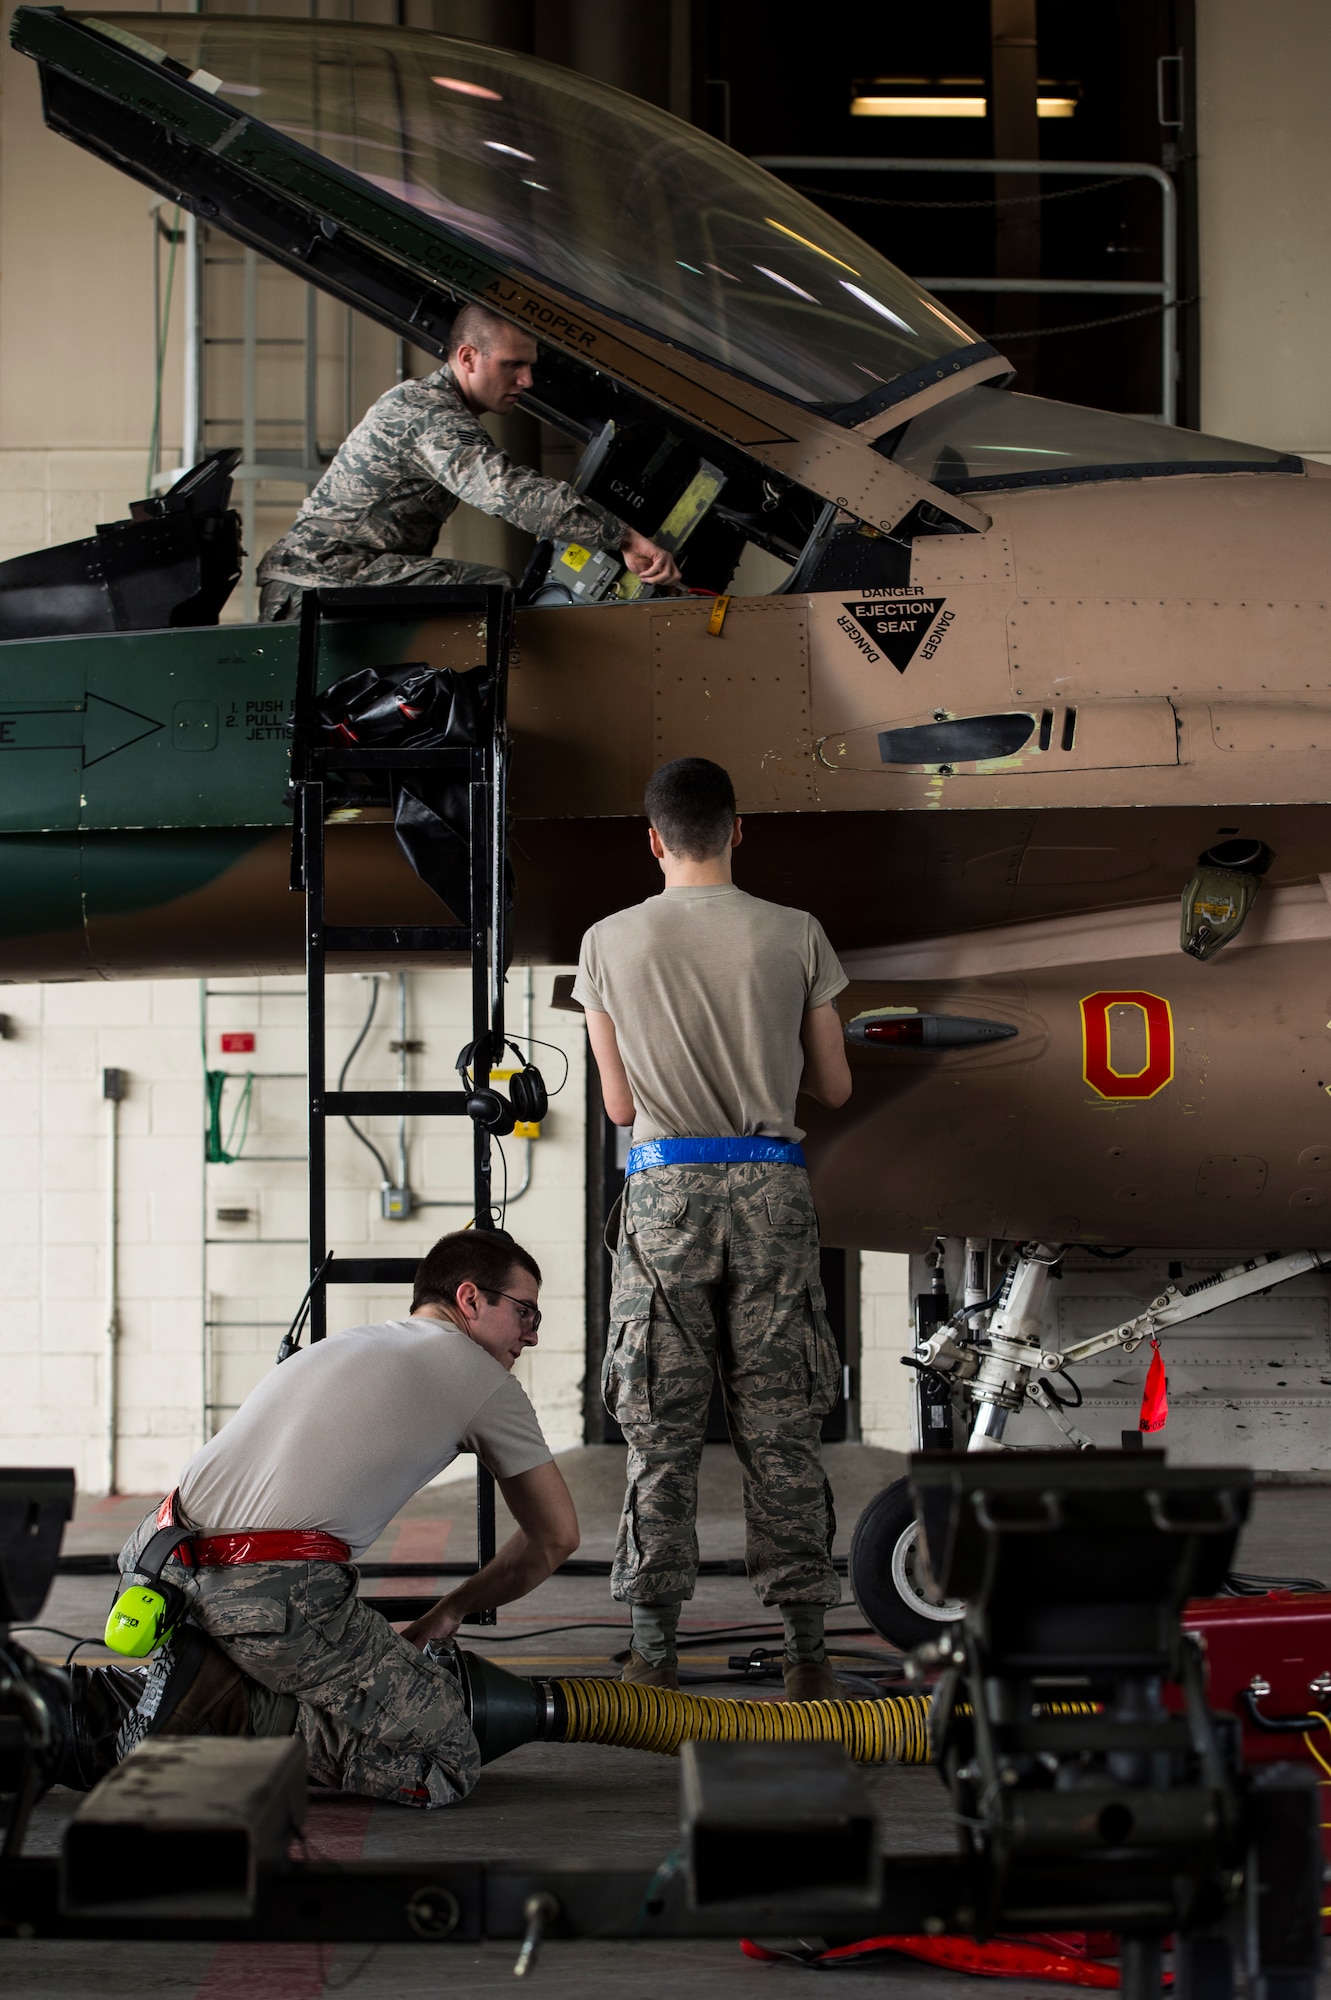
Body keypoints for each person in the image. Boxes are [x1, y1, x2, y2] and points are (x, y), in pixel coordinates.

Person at [71, 1231, 577, 1809]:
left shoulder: (346, 1344)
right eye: (525, 1311)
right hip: (268, 1595)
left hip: (156, 1562)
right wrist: (451, 1611)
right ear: (470, 1299)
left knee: (130, 1711)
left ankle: (91, 1707)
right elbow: (555, 1538)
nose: (532, 1335)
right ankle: (231, 1702)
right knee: (447, 1761)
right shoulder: (484, 1379)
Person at [573, 757, 853, 1703]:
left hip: (665, 1192)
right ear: (740, 831)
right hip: (773, 1188)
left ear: (653, 839)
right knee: (782, 1426)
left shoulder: (607, 943)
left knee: (660, 1429)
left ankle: (653, 1650)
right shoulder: (797, 931)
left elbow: (616, 1106)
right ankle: (807, 1652)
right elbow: (836, 1087)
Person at [257, 301, 679, 619]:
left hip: (330, 573)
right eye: (512, 365)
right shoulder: (427, 411)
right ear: (467, 358)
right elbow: (505, 491)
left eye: (530, 366)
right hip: (318, 576)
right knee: (491, 591)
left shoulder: (438, 406)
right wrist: (620, 536)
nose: (527, 380)